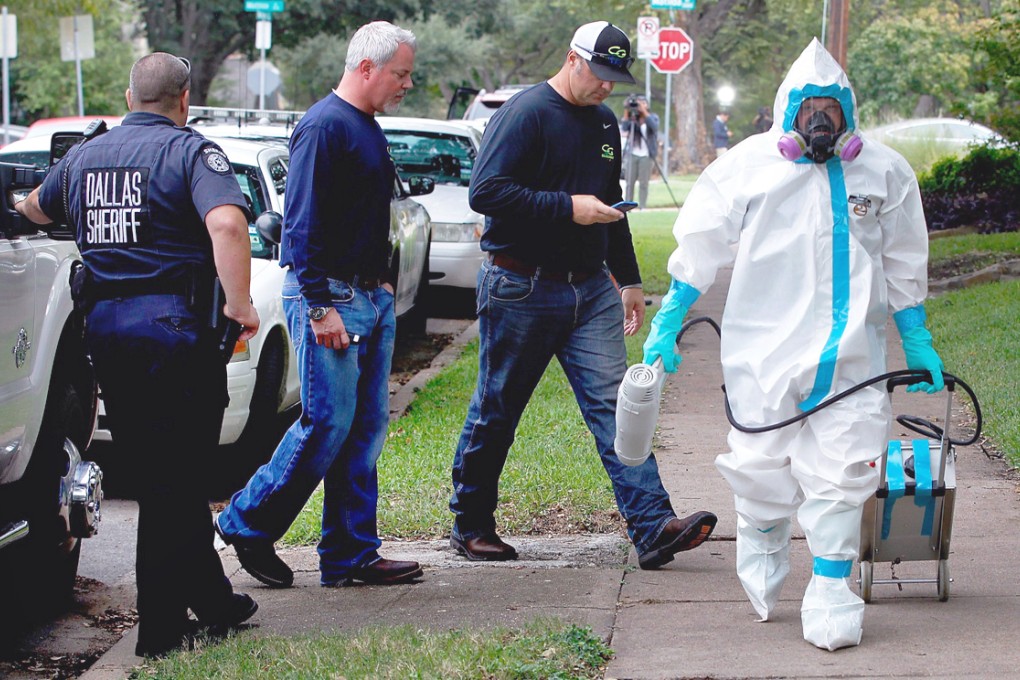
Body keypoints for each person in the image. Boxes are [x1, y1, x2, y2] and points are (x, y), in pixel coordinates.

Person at [642, 39, 945, 651]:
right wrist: (669, 316)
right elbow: (701, 241)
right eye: (810, 107)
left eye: (832, 108)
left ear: (849, 112)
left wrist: (916, 336)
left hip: (853, 359)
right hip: (762, 351)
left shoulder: (884, 171)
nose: (821, 121)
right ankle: (762, 533)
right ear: (788, 109)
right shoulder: (745, 168)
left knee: (848, 465)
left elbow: (904, 258)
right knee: (758, 462)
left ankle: (832, 585)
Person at [16, 52, 262, 657]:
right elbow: (228, 225)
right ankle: (159, 633)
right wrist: (240, 306)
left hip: (107, 334)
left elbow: (33, 210)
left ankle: (214, 601)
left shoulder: (83, 156)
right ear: (183, 100)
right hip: (177, 335)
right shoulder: (190, 152)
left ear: (130, 99)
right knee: (172, 484)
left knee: (164, 473)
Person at [449, 21, 717, 570]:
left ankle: (652, 527)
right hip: (521, 284)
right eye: (600, 74)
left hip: (590, 288)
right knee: (497, 409)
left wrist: (630, 279)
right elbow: (486, 192)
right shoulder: (524, 114)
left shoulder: (602, 124)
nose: (606, 88)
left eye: (615, 78)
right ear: (573, 59)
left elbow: (612, 206)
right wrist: (567, 206)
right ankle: (471, 524)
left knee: (619, 407)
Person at [213, 21, 423, 590]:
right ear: (366, 68)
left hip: (366, 295)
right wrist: (320, 305)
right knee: (326, 422)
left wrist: (379, 285)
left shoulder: (366, 127)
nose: (407, 83)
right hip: (329, 296)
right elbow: (299, 225)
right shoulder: (323, 126)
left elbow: (358, 217)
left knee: (365, 428)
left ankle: (350, 554)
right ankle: (245, 521)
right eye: (400, 73)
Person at [620, 94, 659, 209]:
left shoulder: (653, 117)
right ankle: (628, 206)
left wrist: (644, 113)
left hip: (646, 155)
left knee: (644, 183)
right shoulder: (633, 119)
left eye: (643, 103)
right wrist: (627, 111)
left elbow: (654, 127)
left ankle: (642, 206)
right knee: (629, 182)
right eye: (638, 104)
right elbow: (625, 127)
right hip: (633, 153)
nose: (640, 106)